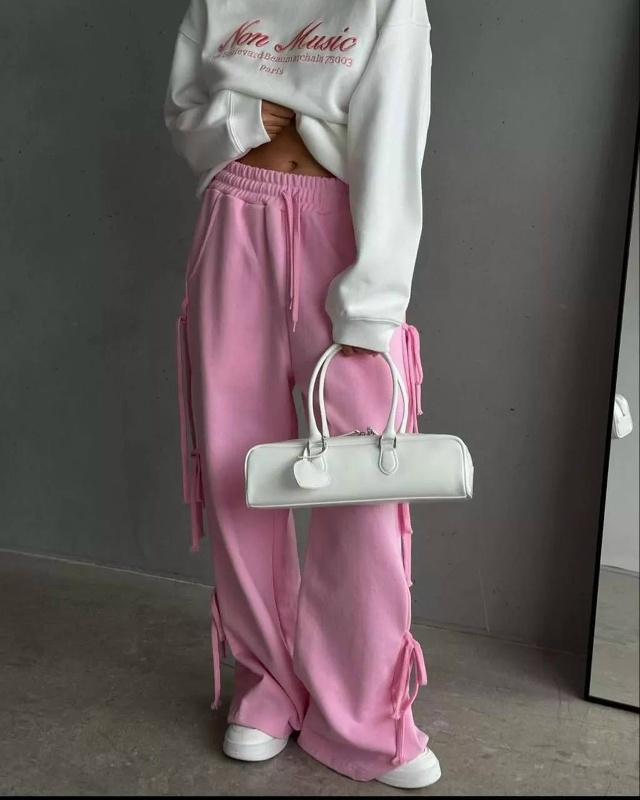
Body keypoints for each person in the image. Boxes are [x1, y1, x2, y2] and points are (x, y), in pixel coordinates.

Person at [164, 0, 437, 789]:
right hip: (233, 218)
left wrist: (372, 304)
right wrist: (242, 117)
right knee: (237, 466)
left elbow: (393, 143)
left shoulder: (387, 4)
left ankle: (365, 712)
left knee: (361, 477)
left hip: (337, 231)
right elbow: (183, 115)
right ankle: (266, 684)